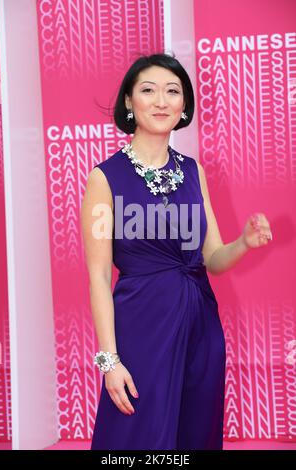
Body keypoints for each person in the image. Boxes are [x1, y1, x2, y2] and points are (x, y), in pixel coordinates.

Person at [81, 53, 273, 450]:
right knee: (137, 439)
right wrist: (109, 361)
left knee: (194, 433)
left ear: (184, 105)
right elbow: (98, 276)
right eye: (148, 91)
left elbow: (213, 257)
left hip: (201, 324)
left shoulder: (193, 171)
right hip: (141, 327)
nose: (162, 101)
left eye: (173, 91)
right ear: (130, 103)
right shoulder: (105, 178)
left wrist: (243, 243)